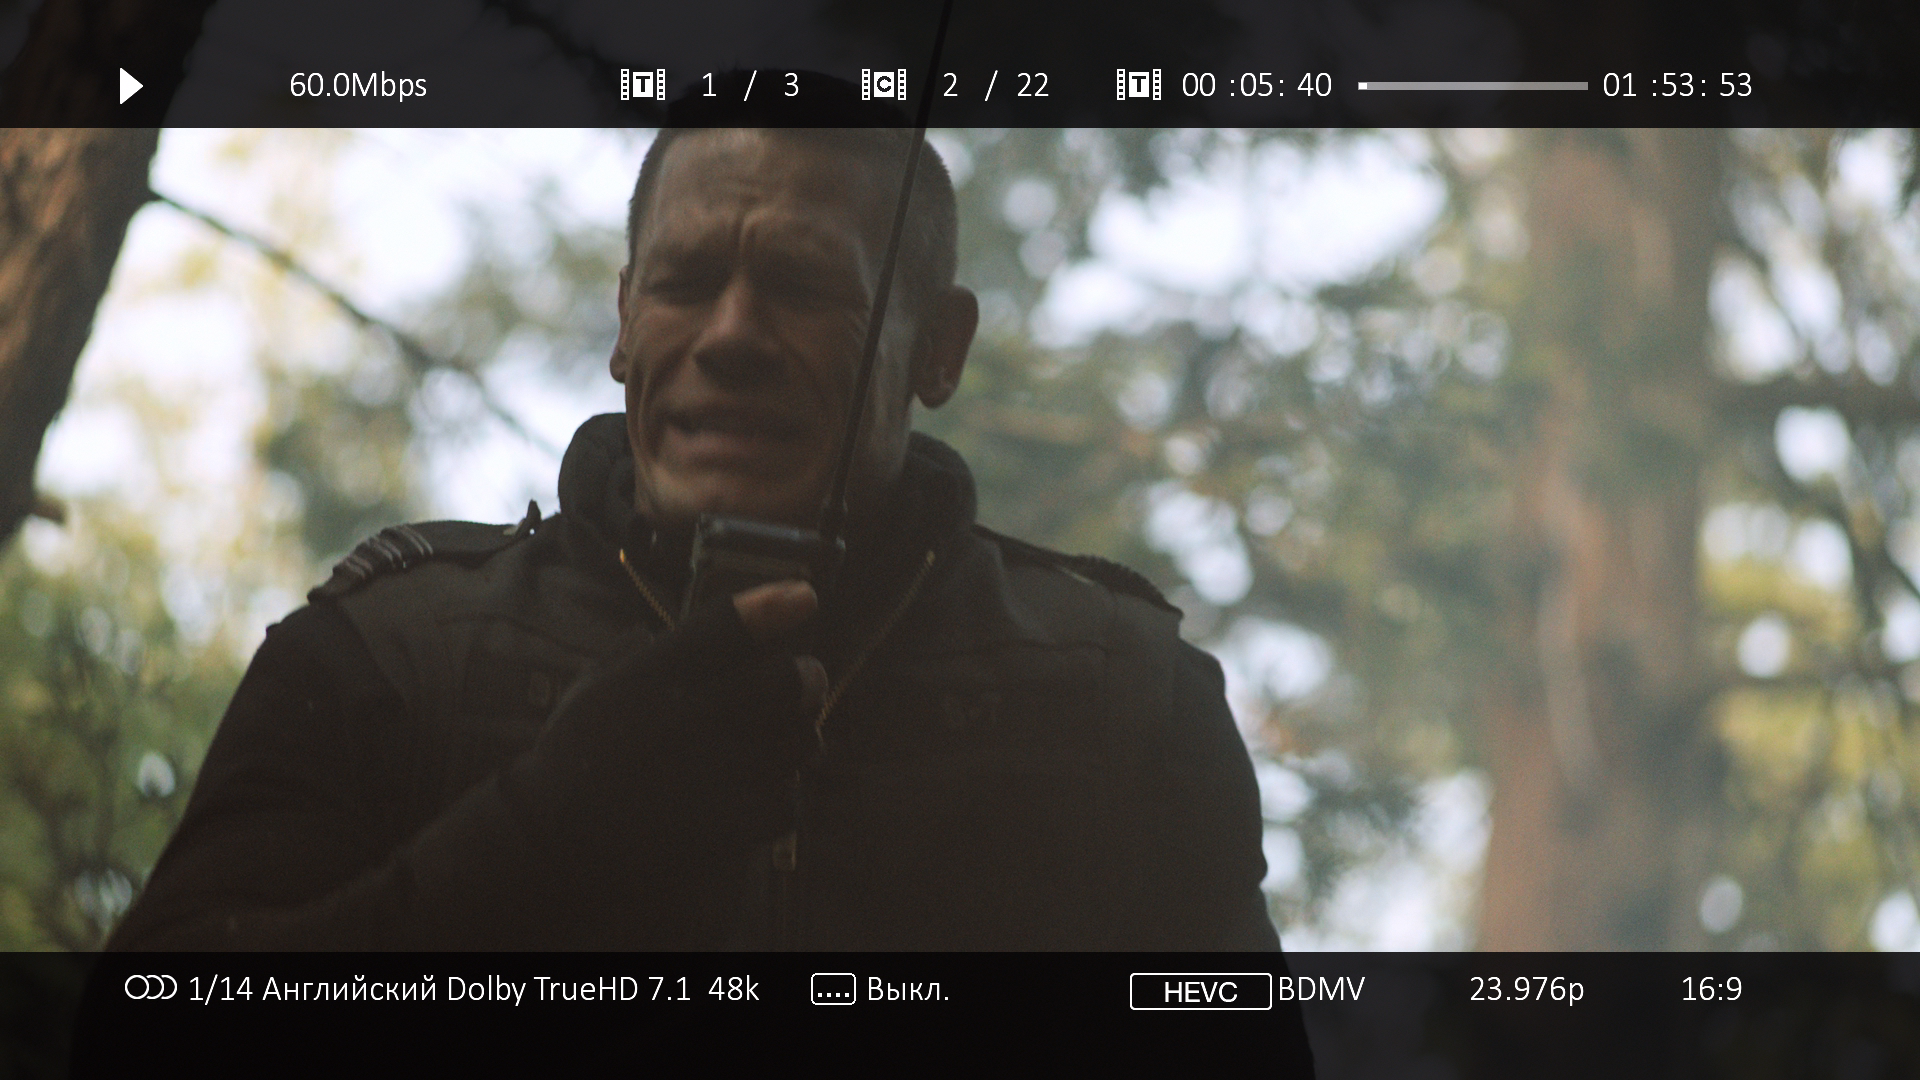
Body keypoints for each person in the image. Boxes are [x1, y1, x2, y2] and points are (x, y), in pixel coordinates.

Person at [106, 120, 1279, 952]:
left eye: (803, 286)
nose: (730, 336)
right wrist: (545, 831)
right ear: (625, 320)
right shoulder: (393, 656)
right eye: (684, 280)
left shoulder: (1124, 701)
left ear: (939, 347)